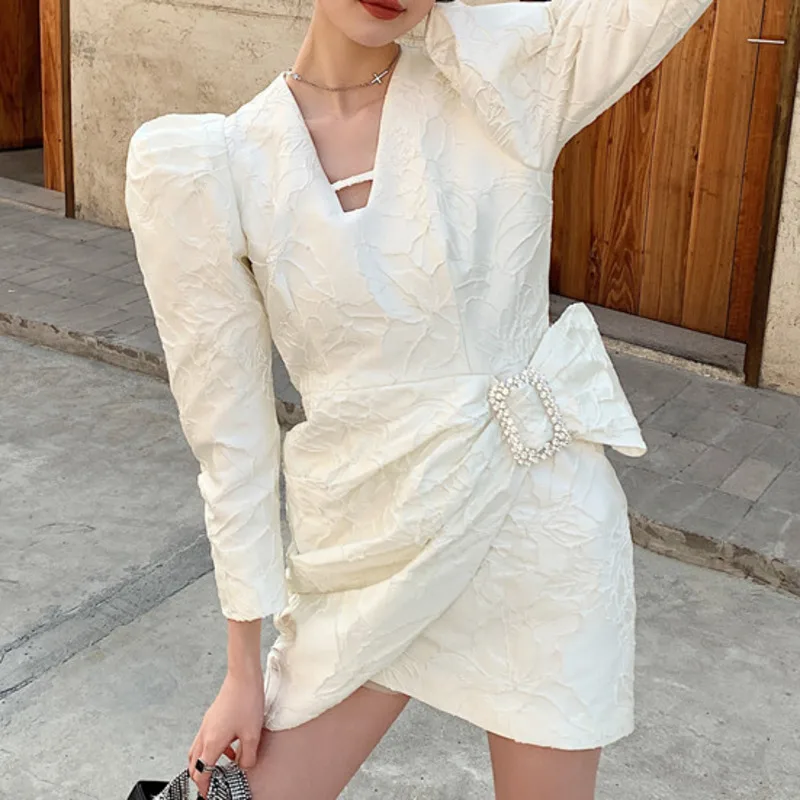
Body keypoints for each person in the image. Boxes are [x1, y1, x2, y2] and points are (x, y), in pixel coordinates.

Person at [124, 0, 713, 797]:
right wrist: (241, 667)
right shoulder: (215, 166)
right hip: (366, 551)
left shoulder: (510, 82)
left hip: (539, 533)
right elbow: (231, 440)